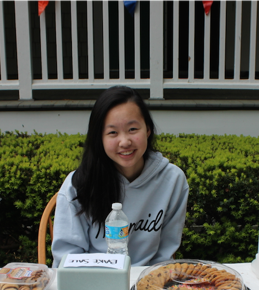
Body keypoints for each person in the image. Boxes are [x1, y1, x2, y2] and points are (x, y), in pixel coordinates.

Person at [51, 86, 189, 267]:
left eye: (132, 129)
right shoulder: (78, 184)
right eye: (112, 133)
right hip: (94, 282)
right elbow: (67, 258)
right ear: (99, 138)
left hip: (146, 283)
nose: (125, 142)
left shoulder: (173, 181)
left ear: (147, 129)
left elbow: (165, 256)